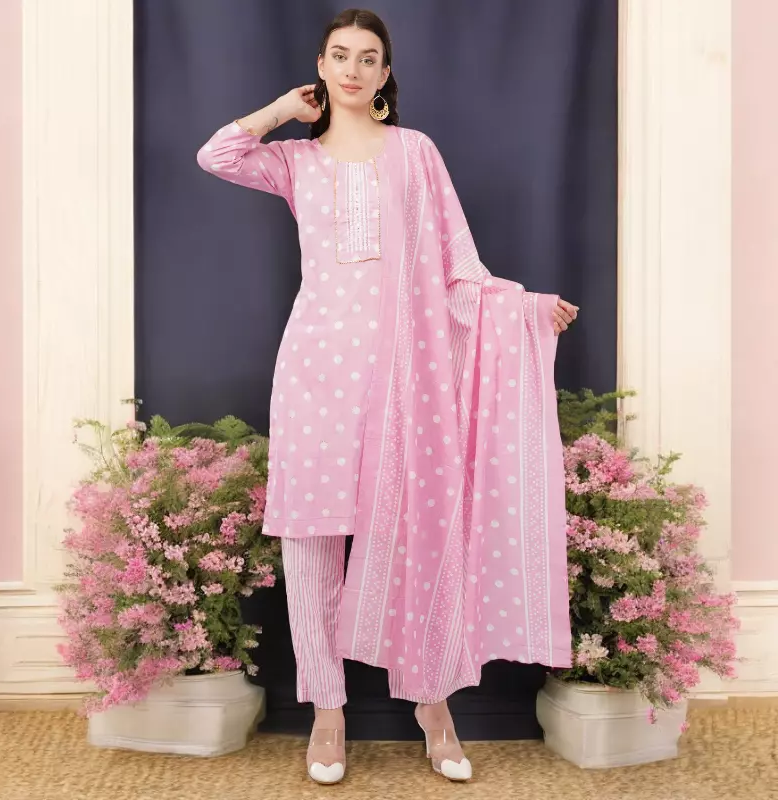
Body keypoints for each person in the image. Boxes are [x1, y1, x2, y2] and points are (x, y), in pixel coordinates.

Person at [198, 7, 578, 786]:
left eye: (368, 57)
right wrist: (281, 110)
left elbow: (458, 267)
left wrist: (524, 309)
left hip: (408, 381)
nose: (352, 69)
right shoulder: (296, 161)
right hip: (314, 376)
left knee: (417, 536)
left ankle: (434, 709)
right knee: (310, 544)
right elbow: (217, 154)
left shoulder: (415, 153)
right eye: (339, 55)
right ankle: (326, 715)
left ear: (385, 72)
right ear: (321, 66)